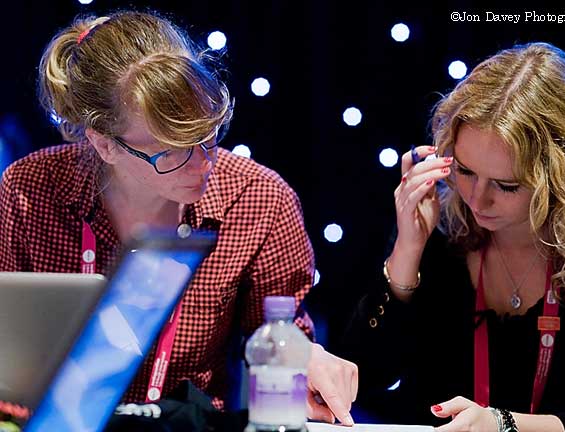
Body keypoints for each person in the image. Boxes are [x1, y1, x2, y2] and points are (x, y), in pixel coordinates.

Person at [0, 10, 357, 426]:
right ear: (104, 145)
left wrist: (303, 360)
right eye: (171, 150)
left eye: (208, 136)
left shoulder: (258, 198)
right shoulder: (31, 189)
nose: (202, 163)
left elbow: (279, 334)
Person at [341, 42, 565, 432]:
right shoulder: (443, 228)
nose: (476, 199)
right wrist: (408, 249)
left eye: (506, 185)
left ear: (564, 178)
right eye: (465, 171)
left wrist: (503, 425)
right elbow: (362, 379)